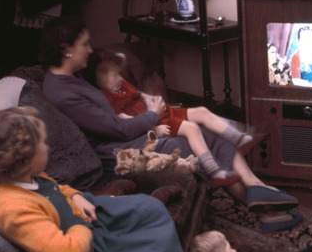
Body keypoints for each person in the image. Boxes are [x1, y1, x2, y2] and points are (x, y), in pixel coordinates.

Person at [38, 16, 302, 232]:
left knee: (205, 132)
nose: (90, 49)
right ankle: (262, 202)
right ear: (65, 49)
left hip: (128, 137)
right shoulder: (63, 92)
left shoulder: (73, 76)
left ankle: (259, 195)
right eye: (85, 44)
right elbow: (115, 129)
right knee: (193, 140)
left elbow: (110, 83)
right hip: (120, 151)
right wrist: (152, 115)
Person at [0, 106, 183, 252]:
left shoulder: (15, 175)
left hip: (78, 207)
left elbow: (53, 188)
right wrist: (81, 222)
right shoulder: (11, 208)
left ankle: (126, 198)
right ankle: (142, 206)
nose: (48, 147)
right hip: (86, 238)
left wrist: (75, 196)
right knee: (159, 231)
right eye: (43, 142)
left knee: (147, 206)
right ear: (25, 157)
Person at [90, 52, 265, 188]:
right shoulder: (105, 98)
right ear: (96, 79)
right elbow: (127, 123)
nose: (119, 77)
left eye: (117, 72)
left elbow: (139, 93)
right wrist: (153, 129)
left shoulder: (120, 85)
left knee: (202, 111)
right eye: (110, 74)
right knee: (191, 128)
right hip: (154, 122)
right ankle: (214, 169)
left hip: (162, 112)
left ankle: (239, 138)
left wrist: (152, 98)